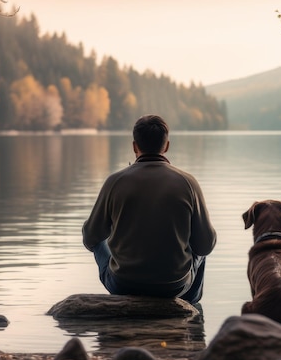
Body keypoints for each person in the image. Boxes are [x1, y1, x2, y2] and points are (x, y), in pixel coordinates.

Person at [82, 114, 216, 304]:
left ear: (135, 146)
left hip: (123, 284)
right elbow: (206, 245)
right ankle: (188, 306)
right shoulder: (188, 183)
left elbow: (90, 238)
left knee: (97, 238)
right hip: (174, 286)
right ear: (167, 146)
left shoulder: (115, 182)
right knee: (201, 246)